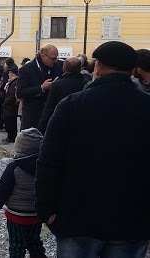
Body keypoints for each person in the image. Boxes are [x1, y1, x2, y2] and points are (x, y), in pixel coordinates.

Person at [36, 41, 150, 257]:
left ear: (97, 67)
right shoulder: (146, 106)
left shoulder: (72, 105)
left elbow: (49, 159)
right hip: (132, 217)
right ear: (132, 70)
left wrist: (45, 206)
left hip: (78, 215)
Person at [0, 128, 47, 258]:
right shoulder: (44, 167)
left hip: (16, 216)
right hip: (35, 214)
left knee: (16, 246)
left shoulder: (14, 167)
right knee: (35, 243)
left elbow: (3, 190)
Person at [16, 44, 63, 130]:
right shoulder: (26, 69)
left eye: (56, 58)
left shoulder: (59, 66)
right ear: (43, 56)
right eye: (53, 58)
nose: (55, 60)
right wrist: (41, 88)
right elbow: (20, 92)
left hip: (52, 115)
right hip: (33, 117)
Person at [37, 57, 88, 134]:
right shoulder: (87, 84)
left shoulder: (57, 85)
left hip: (61, 124)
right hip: (82, 125)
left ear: (64, 68)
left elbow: (49, 108)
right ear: (80, 68)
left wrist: (41, 129)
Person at [1, 68, 19, 143]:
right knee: (9, 122)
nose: (8, 74)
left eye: (10, 73)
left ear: (13, 73)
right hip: (9, 106)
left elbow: (12, 95)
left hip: (11, 106)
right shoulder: (11, 82)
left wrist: (5, 102)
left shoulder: (14, 82)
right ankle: (10, 137)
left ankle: (11, 137)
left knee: (10, 122)